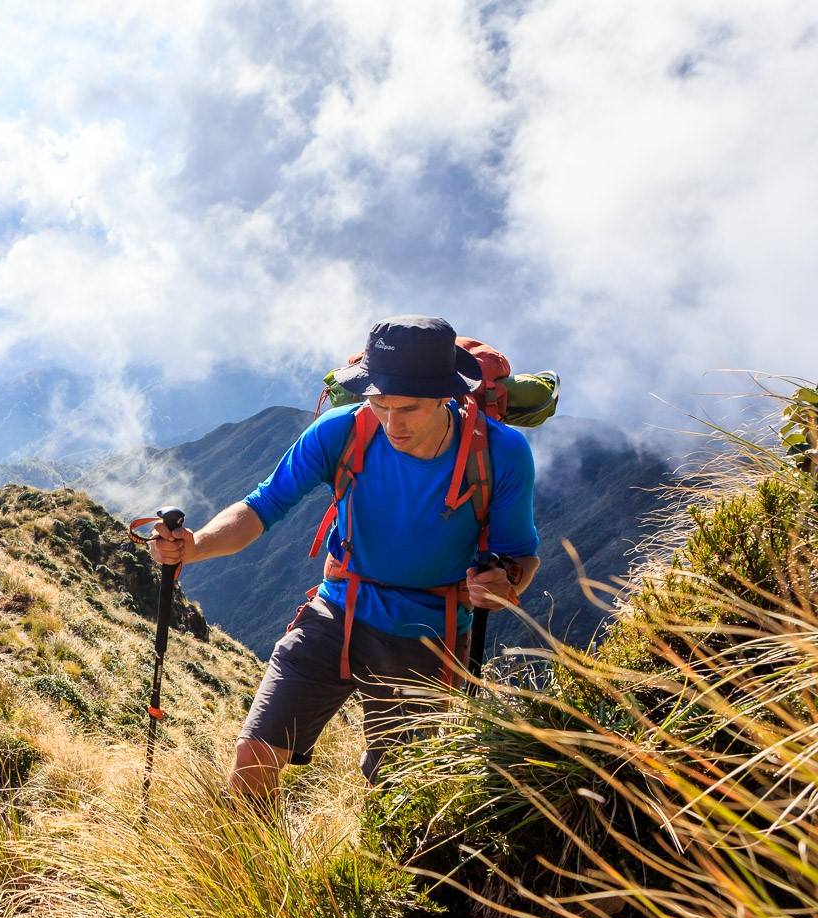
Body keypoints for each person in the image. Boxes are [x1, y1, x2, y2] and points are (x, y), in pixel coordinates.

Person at [145, 315, 540, 797]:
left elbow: (521, 555)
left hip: (430, 634)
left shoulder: (501, 452)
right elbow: (263, 505)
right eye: (379, 403)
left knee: (398, 792)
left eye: (409, 408)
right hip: (337, 609)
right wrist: (196, 545)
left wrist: (505, 585)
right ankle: (244, 871)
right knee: (254, 755)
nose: (392, 423)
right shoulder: (341, 431)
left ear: (447, 395)